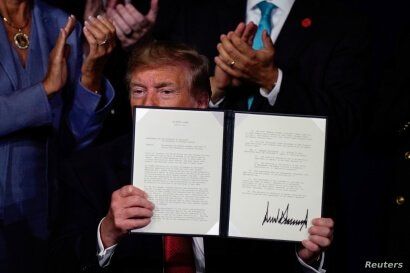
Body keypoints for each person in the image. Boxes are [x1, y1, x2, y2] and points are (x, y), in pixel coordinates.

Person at [50, 41, 334, 273]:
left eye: (165, 91)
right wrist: (107, 232)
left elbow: (265, 263)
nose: (148, 104)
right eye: (138, 91)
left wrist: (303, 256)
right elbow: (61, 260)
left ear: (200, 102)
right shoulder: (89, 170)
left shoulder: (243, 166)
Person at [0, 0, 116, 272]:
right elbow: (46, 95)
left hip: (45, 220)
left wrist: (91, 72)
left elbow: (71, 139)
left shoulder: (60, 22)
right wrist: (44, 91)